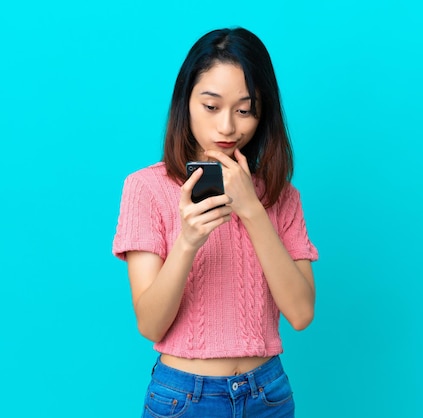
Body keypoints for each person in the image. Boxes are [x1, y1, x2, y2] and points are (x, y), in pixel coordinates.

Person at [113, 27, 318, 418]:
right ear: (185, 103)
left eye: (244, 110)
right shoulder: (145, 189)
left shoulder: (282, 196)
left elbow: (301, 313)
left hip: (268, 394)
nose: (227, 127)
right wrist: (188, 241)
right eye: (211, 106)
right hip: (184, 397)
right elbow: (151, 324)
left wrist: (253, 211)